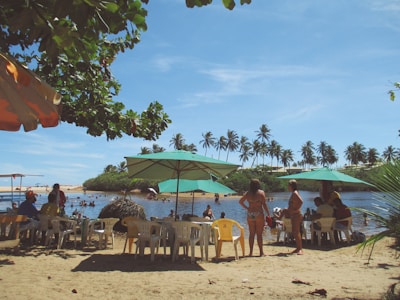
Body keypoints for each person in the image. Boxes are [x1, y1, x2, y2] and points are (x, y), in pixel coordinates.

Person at [239, 179, 270, 257]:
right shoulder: (261, 193)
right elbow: (264, 204)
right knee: (259, 234)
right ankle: (261, 252)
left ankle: (251, 252)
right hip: (259, 213)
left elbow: (240, 201)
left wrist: (247, 208)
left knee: (251, 234)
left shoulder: (248, 194)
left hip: (250, 214)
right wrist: (268, 214)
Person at [285, 179, 304, 255]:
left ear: (291, 186)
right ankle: (298, 248)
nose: (288, 187)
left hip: (296, 215)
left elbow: (301, 201)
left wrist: (296, 209)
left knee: (296, 232)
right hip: (294, 215)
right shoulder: (294, 193)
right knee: (294, 231)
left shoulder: (295, 193)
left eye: (288, 185)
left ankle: (300, 249)